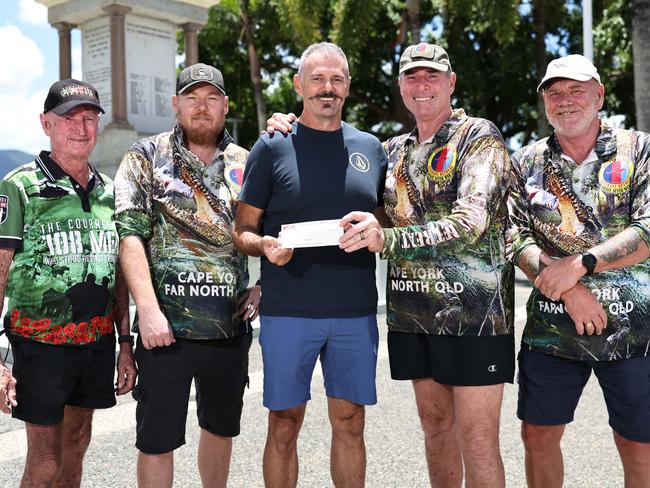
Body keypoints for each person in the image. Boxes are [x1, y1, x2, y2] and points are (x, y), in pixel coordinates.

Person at [267, 42, 514, 488]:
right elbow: (347, 189)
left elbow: (471, 222)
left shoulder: (479, 136)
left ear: (451, 82)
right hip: (414, 317)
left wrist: (386, 239)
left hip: (475, 316)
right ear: (400, 86)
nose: (423, 85)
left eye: (433, 76)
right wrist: (288, 124)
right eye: (412, 77)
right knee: (436, 431)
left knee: (478, 441)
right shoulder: (390, 151)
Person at [233, 42, 388, 488]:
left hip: (355, 311)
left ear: (348, 87)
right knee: (283, 424)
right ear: (299, 84)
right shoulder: (271, 146)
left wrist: (374, 230)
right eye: (317, 79)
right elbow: (242, 229)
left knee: (351, 422)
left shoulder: (370, 148)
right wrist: (264, 246)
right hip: (288, 312)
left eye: (336, 79)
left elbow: (388, 219)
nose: (327, 88)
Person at [114, 63, 260, 488]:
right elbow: (129, 236)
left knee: (220, 429)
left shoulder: (246, 163)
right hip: (165, 331)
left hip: (228, 330)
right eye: (192, 98)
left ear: (224, 105)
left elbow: (273, 226)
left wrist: (265, 282)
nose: (202, 107)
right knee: (157, 440)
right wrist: (148, 310)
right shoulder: (146, 156)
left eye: (211, 98)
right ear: (176, 105)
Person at [507, 54, 650, 487]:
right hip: (552, 327)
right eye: (554, 92)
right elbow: (512, 235)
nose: (565, 100)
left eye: (576, 90)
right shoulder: (526, 161)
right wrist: (568, 288)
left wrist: (582, 265)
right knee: (538, 435)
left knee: (638, 441)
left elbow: (647, 229)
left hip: (634, 331)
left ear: (600, 94)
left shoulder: (639, 149)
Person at [0, 79, 136, 487]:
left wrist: (125, 343)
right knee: (44, 461)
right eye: (69, 118)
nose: (81, 128)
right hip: (38, 345)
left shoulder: (111, 193)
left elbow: (119, 275)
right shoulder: (20, 186)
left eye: (90, 118)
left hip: (95, 343)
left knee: (77, 446)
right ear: (46, 124)